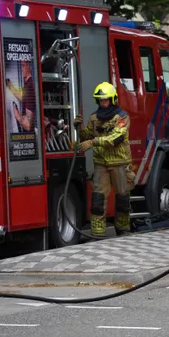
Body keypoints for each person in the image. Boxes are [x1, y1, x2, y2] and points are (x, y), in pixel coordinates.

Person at [74, 82, 135, 237]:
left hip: (120, 163)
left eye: (106, 100)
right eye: (100, 100)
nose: (103, 103)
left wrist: (93, 142)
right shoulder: (94, 118)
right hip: (101, 164)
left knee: (122, 198)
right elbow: (88, 135)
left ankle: (123, 229)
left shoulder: (122, 117)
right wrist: (79, 128)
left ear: (113, 99)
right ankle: (97, 233)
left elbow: (116, 138)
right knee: (98, 199)